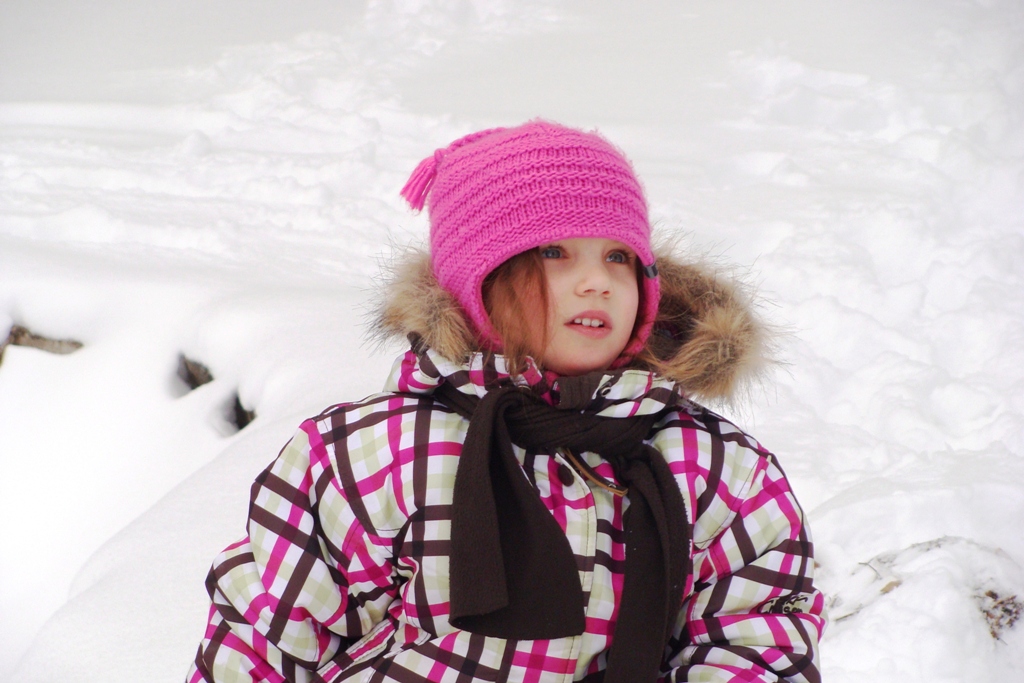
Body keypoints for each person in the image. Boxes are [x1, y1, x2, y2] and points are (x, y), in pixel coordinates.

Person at [187, 120, 825, 683]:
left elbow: (755, 637)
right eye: (553, 252)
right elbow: (270, 628)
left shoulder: (712, 466)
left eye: (618, 256)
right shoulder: (378, 454)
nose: (597, 280)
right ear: (477, 281)